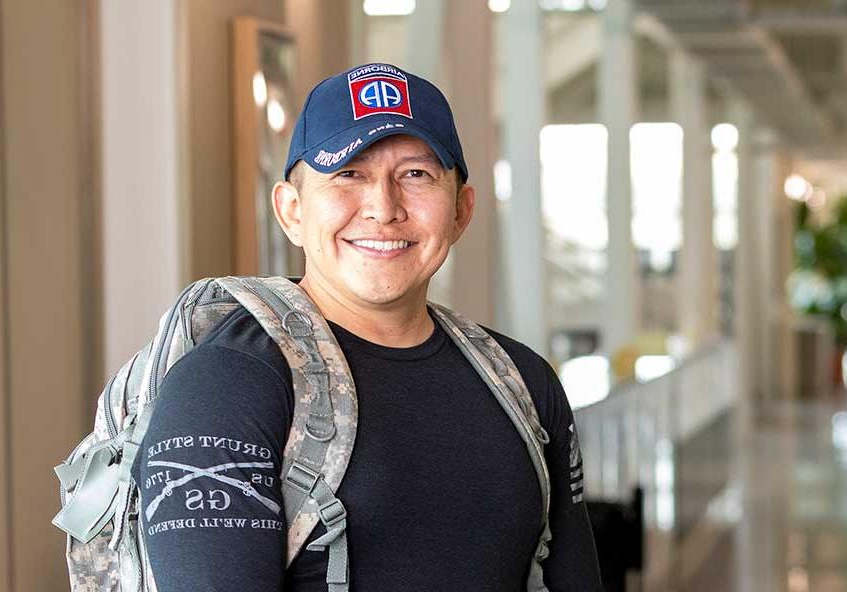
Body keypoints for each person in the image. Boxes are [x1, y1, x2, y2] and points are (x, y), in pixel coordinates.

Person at [132, 62, 603, 590]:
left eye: (416, 175)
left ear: (461, 211)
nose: (383, 208)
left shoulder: (522, 382)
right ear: (291, 211)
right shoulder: (228, 384)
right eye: (348, 174)